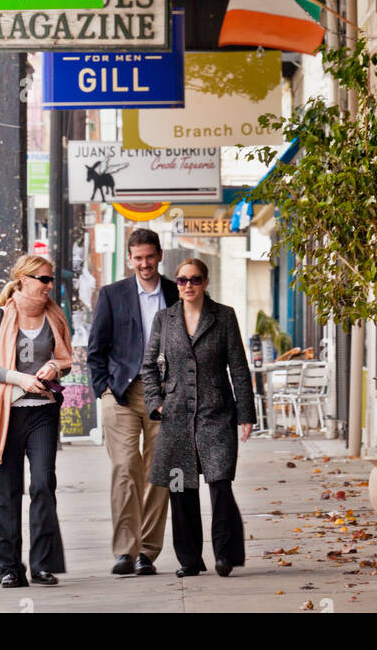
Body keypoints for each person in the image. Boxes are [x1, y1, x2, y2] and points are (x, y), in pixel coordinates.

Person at [141, 257, 255, 579]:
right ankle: (189, 559)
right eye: (181, 280)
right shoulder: (164, 319)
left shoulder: (224, 317)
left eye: (194, 280)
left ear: (205, 282)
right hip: (176, 415)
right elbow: (148, 366)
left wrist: (245, 413)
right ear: (176, 284)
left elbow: (239, 368)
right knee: (180, 487)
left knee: (220, 484)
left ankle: (224, 555)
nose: (188, 286)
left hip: (216, 411)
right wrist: (156, 403)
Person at [0, 254, 72, 588]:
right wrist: (17, 378)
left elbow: (65, 358)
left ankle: (43, 564)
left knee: (43, 484)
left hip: (42, 411)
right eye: (43, 279)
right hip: (6, 413)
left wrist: (55, 367)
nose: (49, 285)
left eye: (51, 279)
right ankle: (9, 567)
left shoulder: (54, 315)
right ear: (24, 280)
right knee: (5, 492)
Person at [87, 228, 179, 576]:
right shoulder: (112, 295)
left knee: (159, 472)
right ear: (130, 259)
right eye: (138, 258)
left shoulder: (175, 293)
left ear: (159, 256)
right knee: (125, 467)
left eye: (149, 257)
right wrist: (103, 390)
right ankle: (125, 550)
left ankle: (147, 552)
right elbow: (96, 350)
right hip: (122, 393)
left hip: (165, 394)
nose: (144, 263)